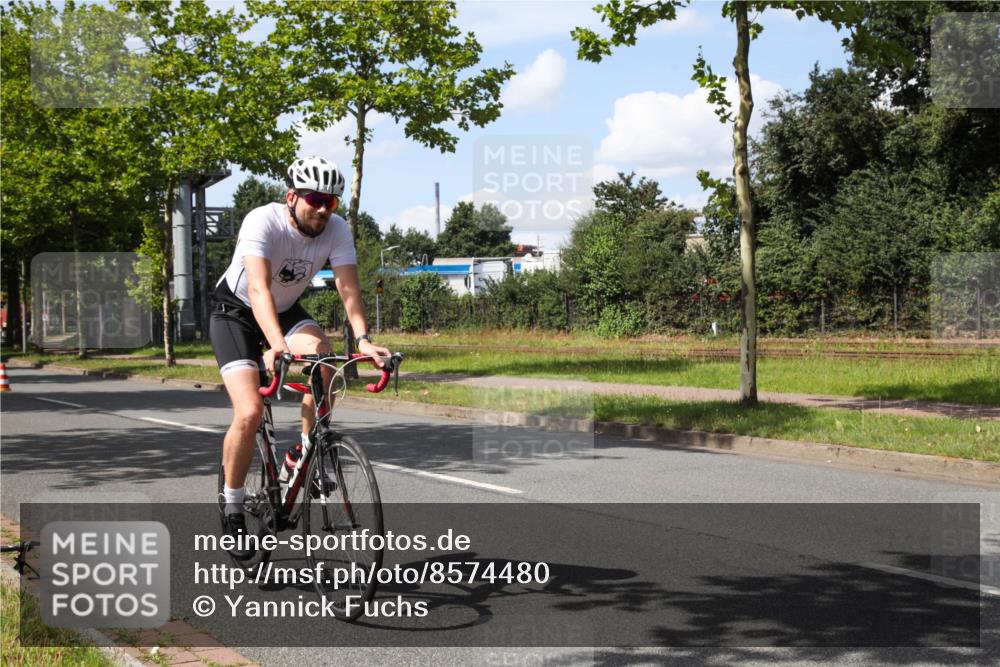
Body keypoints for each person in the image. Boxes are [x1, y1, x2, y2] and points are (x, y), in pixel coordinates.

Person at [210, 156, 390, 552]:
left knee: (324, 360)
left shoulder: (337, 229)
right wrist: (276, 346)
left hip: (286, 309)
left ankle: (305, 451)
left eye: (332, 201)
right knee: (249, 412)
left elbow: (348, 290)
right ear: (291, 197)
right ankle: (234, 505)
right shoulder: (262, 221)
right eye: (315, 199)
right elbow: (257, 290)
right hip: (236, 312)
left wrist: (362, 340)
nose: (324, 208)